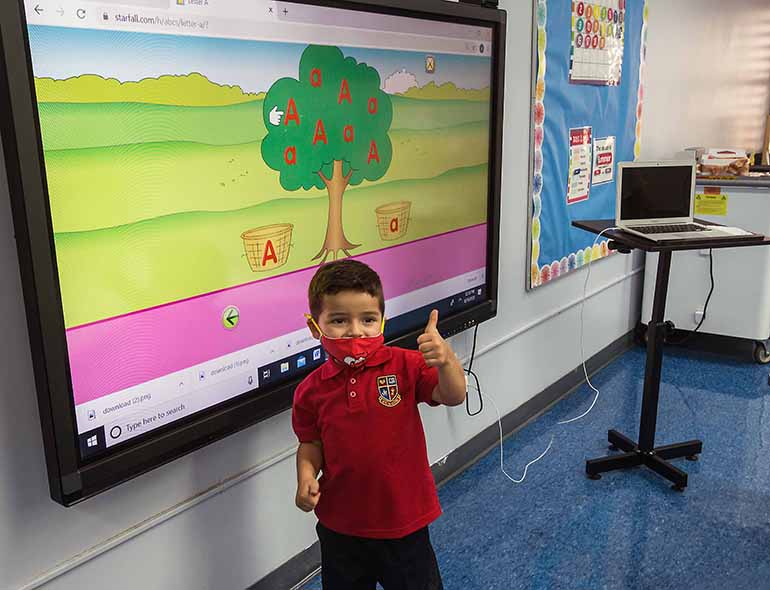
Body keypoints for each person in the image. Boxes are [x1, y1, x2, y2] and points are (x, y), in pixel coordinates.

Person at [292, 259, 467, 590]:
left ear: (382, 321)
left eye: (368, 319)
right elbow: (310, 443)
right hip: (341, 528)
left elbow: (453, 395)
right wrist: (305, 477)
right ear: (316, 327)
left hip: (405, 523)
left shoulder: (405, 365)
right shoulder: (310, 391)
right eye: (339, 320)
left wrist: (446, 361)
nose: (356, 331)